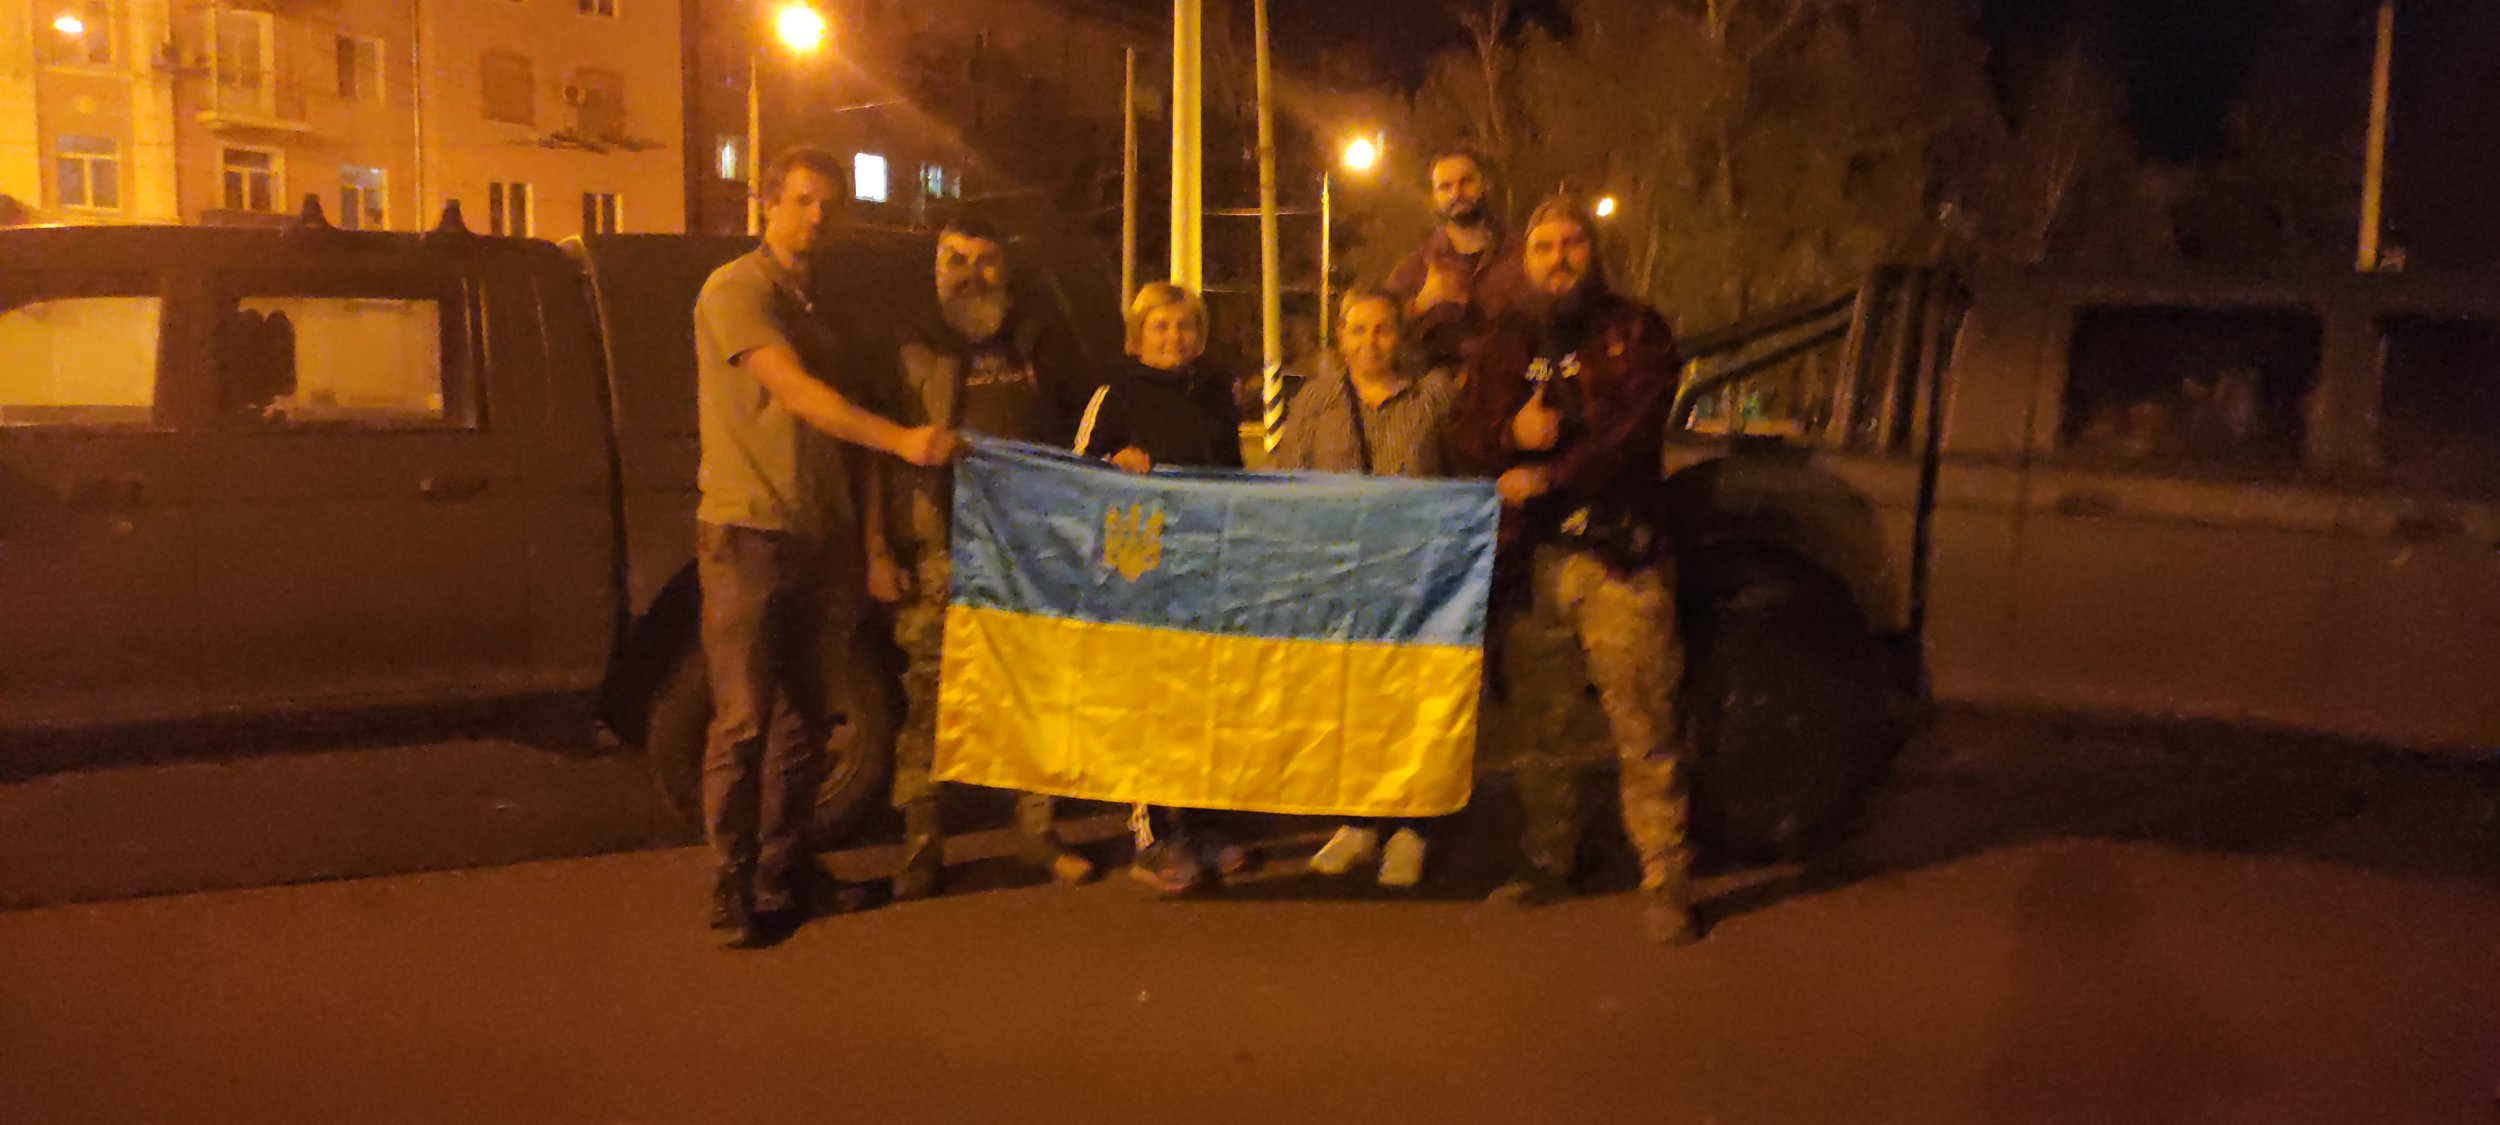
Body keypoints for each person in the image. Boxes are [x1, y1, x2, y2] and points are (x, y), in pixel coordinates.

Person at [692, 145, 958, 948]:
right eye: (802, 200)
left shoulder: (825, 307)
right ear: (765, 205)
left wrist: (872, 538)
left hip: (822, 535)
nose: (816, 217)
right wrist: (906, 440)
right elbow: (801, 394)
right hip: (749, 531)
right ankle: (729, 884)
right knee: (742, 720)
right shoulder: (738, 289)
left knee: (806, 718)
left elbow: (853, 434)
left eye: (827, 204)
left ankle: (785, 868)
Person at [1445, 193, 1702, 946]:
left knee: (1644, 717)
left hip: (1621, 556)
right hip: (1535, 561)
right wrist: (1507, 431)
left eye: (1571, 243)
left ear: (1594, 251)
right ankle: (1552, 854)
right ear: (1526, 261)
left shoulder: (1635, 330)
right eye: (1543, 246)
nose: (1558, 258)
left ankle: (1666, 872)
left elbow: (1634, 430)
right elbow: (1466, 431)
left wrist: (1551, 470)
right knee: (1542, 722)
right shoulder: (1509, 337)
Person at [863, 218, 1096, 899]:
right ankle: (922, 842)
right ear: (934, 267)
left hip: (1030, 546)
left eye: (986, 260)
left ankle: (1037, 829)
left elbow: (1083, 434)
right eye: (954, 259)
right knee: (930, 696)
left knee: (1035, 690)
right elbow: (876, 455)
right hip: (940, 544)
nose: (970, 273)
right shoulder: (906, 346)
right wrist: (877, 546)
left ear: (1008, 270)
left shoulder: (1042, 342)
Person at [1270, 285, 1460, 888]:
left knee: (1412, 706)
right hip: (1342, 584)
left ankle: (1413, 828)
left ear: (1399, 336)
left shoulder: (1432, 399)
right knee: (1350, 705)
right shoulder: (1317, 402)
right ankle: (1358, 822)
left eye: (1381, 329)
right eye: (1357, 330)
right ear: (1341, 336)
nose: (1369, 342)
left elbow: (1463, 475)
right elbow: (1286, 483)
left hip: (1418, 582)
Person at [1074, 281, 1245, 893]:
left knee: (1202, 698)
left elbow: (1234, 475)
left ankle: (1199, 821)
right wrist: (1113, 463)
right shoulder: (1115, 394)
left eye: (1185, 327)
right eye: (1160, 327)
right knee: (1151, 699)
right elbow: (1074, 474)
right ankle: (1150, 834)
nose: (1174, 338)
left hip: (1204, 564)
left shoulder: (1217, 394)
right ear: (1138, 335)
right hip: (1140, 569)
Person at [1383, 148, 1528, 372]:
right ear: (1434, 196)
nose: (1456, 193)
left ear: (1484, 185)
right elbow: (1378, 333)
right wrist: (1420, 304)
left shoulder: (1520, 256)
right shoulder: (1414, 269)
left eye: (1466, 182)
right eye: (1445, 186)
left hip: (1510, 391)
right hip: (1440, 398)